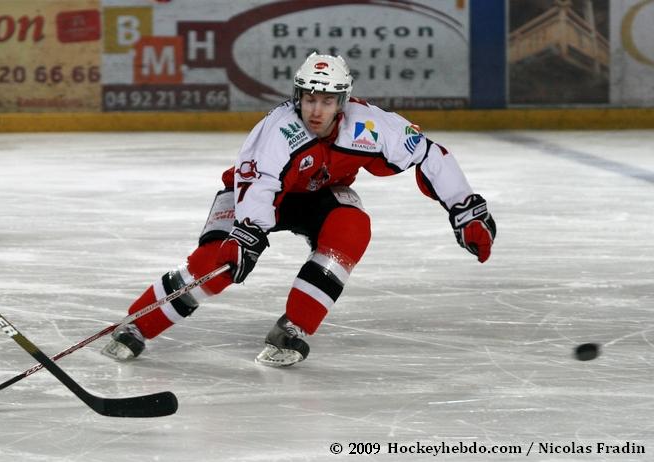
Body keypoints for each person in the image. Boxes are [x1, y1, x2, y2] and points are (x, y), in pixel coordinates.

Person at [102, 52, 497, 367]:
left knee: (351, 230)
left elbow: (429, 154)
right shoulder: (278, 131)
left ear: (342, 102)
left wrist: (464, 208)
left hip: (320, 194)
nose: (316, 111)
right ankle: (138, 324)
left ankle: (294, 327)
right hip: (254, 195)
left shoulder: (370, 125)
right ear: (298, 97)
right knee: (217, 263)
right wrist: (247, 233)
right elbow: (258, 183)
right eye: (309, 99)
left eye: (327, 101)